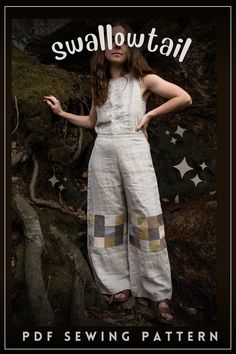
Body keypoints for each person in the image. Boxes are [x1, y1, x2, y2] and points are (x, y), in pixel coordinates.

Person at [44, 22, 192, 325]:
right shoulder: (99, 85)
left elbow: (183, 97)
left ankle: (158, 293)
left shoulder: (143, 80)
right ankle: (116, 283)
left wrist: (150, 114)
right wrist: (61, 113)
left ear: (130, 48)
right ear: (102, 48)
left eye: (122, 41)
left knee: (145, 215)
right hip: (103, 152)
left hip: (134, 149)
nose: (116, 45)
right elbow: (91, 122)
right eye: (111, 41)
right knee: (106, 216)